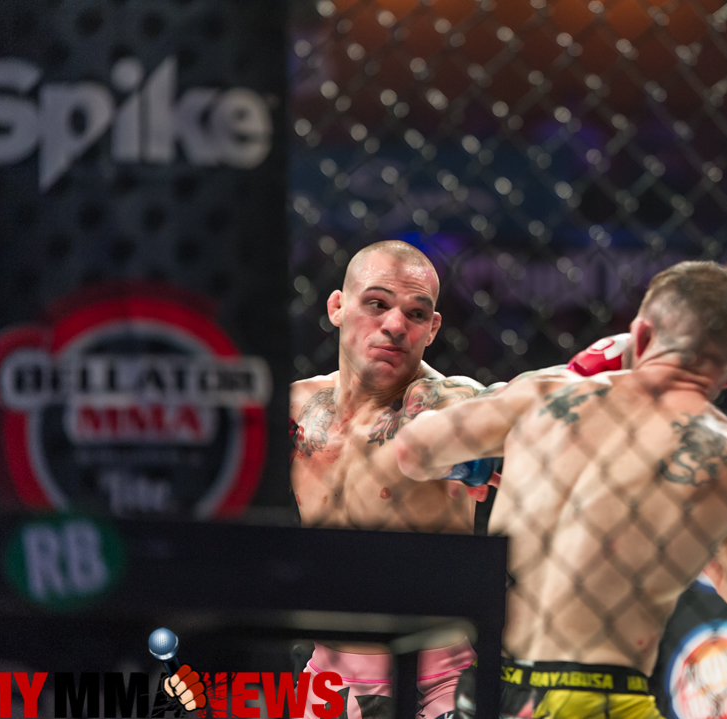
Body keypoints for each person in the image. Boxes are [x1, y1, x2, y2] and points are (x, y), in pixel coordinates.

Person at [395, 260, 727, 719]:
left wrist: (479, 466)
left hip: (486, 690)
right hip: (598, 698)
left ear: (639, 336)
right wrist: (702, 529)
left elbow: (413, 450)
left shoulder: (548, 393)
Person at [167, 241, 488, 719]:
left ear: (433, 328)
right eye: (376, 304)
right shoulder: (294, 411)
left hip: (439, 678)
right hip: (330, 678)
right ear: (338, 307)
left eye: (416, 314)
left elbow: (491, 408)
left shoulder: (447, 404)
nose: (396, 325)